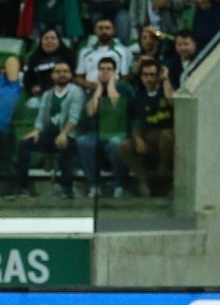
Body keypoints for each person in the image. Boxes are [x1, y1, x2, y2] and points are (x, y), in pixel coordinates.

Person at [13, 60, 84, 199]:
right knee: (25, 144)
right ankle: (21, 187)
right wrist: (36, 130)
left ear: (70, 75)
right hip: (50, 134)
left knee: (65, 145)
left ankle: (67, 188)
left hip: (70, 134)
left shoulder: (76, 92)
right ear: (52, 75)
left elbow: (74, 117)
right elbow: (40, 117)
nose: (61, 74)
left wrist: (64, 134)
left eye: (65, 71)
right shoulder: (47, 94)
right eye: (58, 72)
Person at [117, 58, 174, 197]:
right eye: (145, 75)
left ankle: (162, 176)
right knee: (123, 146)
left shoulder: (165, 92)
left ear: (158, 75)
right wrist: (138, 139)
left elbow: (173, 102)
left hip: (167, 136)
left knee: (167, 135)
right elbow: (135, 122)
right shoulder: (138, 97)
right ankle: (147, 180)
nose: (149, 78)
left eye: (152, 75)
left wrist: (165, 80)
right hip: (148, 137)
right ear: (141, 76)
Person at [77, 55, 132, 199]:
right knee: (83, 142)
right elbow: (90, 111)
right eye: (101, 69)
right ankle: (94, 184)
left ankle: (120, 184)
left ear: (115, 71)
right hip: (98, 132)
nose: (105, 72)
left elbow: (115, 106)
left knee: (115, 144)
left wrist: (111, 84)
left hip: (119, 132)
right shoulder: (96, 89)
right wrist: (99, 89)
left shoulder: (124, 87)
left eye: (109, 69)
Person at [74, 17, 133, 90]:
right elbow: (78, 77)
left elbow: (125, 78)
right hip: (90, 90)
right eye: (100, 28)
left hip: (114, 90)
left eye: (107, 28)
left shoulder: (123, 51)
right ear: (95, 30)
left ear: (114, 31)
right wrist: (87, 84)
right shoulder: (85, 52)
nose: (104, 31)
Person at [23, 27, 77, 96]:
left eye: (53, 38)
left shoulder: (69, 55)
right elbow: (27, 78)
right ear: (41, 41)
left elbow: (73, 77)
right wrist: (32, 87)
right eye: (46, 39)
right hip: (39, 95)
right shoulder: (34, 57)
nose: (49, 41)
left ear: (59, 41)